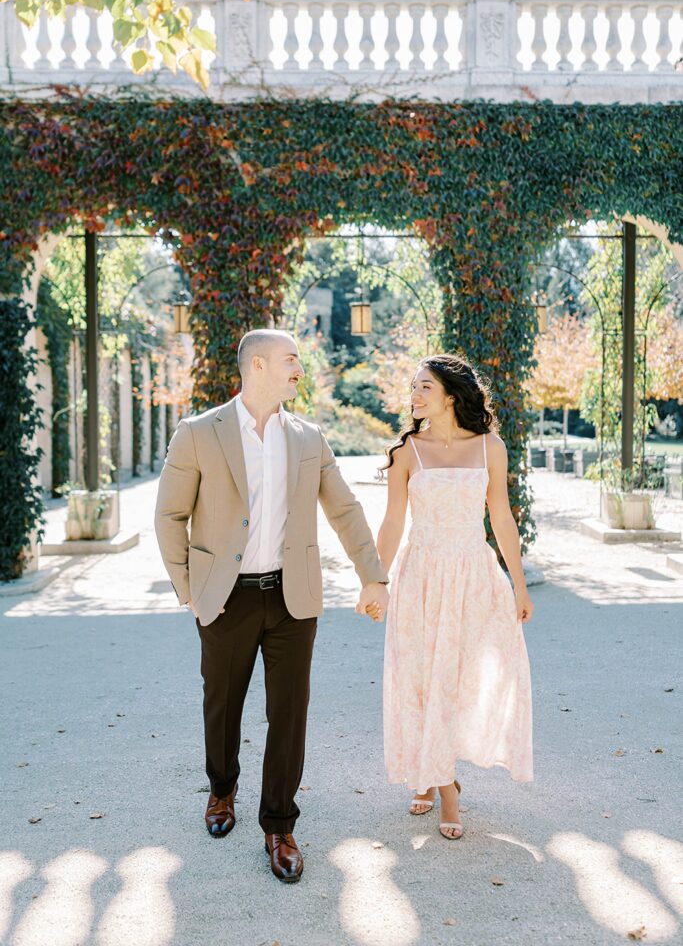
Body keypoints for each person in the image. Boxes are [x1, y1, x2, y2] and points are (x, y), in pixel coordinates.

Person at [155, 329, 389, 883]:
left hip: (293, 597)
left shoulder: (309, 437)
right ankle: (221, 790)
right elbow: (169, 517)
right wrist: (188, 589)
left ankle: (279, 825)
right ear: (257, 365)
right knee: (223, 705)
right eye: (291, 361)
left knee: (289, 714)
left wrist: (372, 576)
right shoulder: (198, 433)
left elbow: (346, 511)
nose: (299, 370)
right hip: (225, 598)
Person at [358, 353, 533, 840]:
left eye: (424, 388)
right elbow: (394, 522)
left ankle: (440, 779)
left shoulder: (489, 447)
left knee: (458, 680)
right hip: (421, 576)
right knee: (419, 680)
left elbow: (501, 518)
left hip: (474, 576)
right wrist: (376, 580)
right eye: (412, 387)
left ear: (451, 396)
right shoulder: (406, 452)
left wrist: (518, 584)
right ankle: (441, 781)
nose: (413, 395)